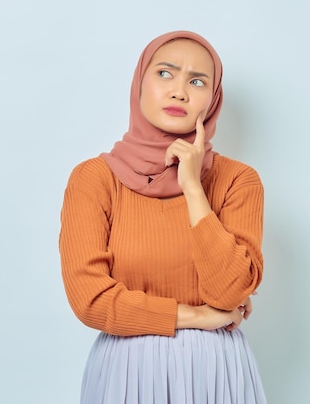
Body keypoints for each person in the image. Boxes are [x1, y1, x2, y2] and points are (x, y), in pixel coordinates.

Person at [59, 30, 267, 404]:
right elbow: (90, 299)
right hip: (127, 372)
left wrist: (192, 188)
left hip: (216, 370)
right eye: (165, 73)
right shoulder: (94, 179)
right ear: (139, 84)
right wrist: (198, 317)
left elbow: (230, 290)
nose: (179, 92)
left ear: (214, 98)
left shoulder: (238, 180)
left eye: (197, 81)